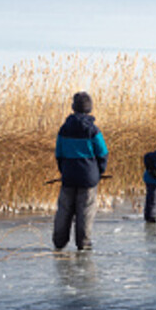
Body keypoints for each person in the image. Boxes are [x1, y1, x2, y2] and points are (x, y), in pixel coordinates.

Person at [53, 91, 108, 251]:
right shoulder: (93, 130)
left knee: (64, 209)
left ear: (73, 108)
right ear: (89, 109)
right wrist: (99, 172)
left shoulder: (64, 129)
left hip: (69, 176)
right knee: (86, 211)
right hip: (88, 177)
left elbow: (59, 153)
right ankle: (83, 243)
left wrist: (64, 171)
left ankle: (59, 242)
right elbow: (103, 153)